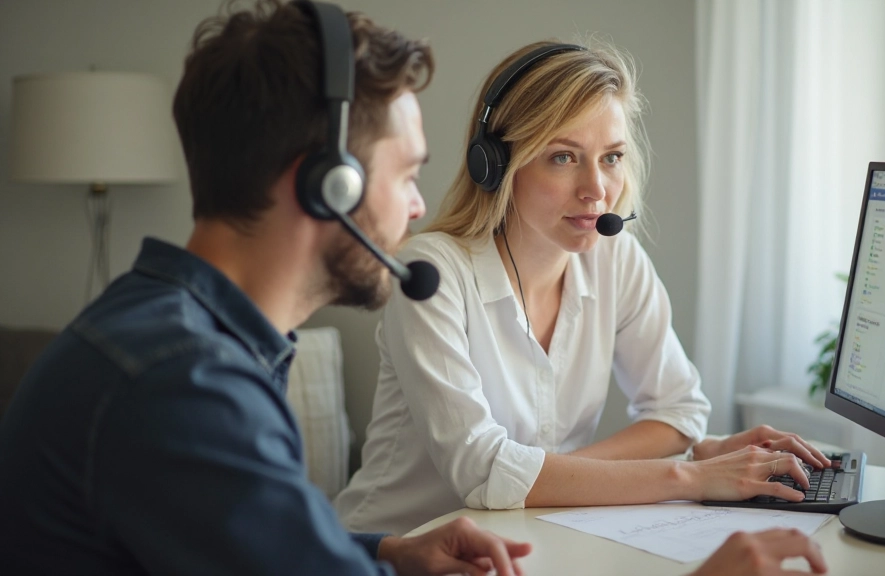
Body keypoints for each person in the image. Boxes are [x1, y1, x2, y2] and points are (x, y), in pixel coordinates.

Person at [0, 1, 531, 574]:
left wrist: (388, 553)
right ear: (328, 185)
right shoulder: (186, 383)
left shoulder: (175, 335)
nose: (418, 206)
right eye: (405, 175)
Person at [336, 40, 833, 539]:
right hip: (391, 552)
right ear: (497, 164)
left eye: (612, 157)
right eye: (563, 157)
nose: (596, 188)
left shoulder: (613, 258)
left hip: (526, 541)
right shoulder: (429, 275)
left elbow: (680, 412)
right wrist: (690, 472)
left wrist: (564, 475)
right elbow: (483, 471)